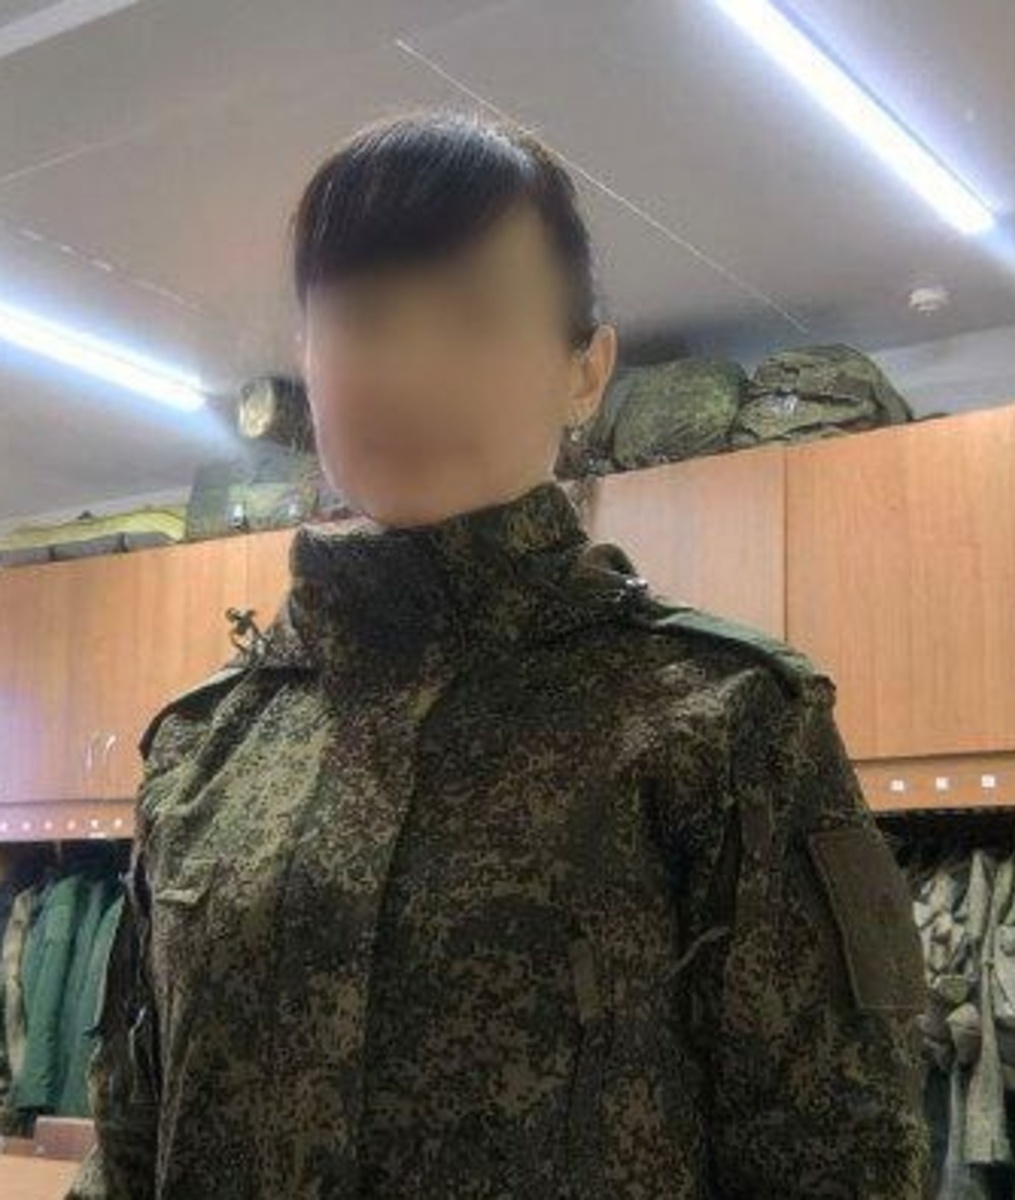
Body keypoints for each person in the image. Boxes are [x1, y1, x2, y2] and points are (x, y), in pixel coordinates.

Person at [65, 107, 930, 1199]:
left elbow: (842, 1163)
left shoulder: (725, 725)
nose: (410, 368)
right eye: (362, 318)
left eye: (473, 314)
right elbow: (127, 1146)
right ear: (308, 363)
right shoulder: (204, 750)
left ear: (585, 370)